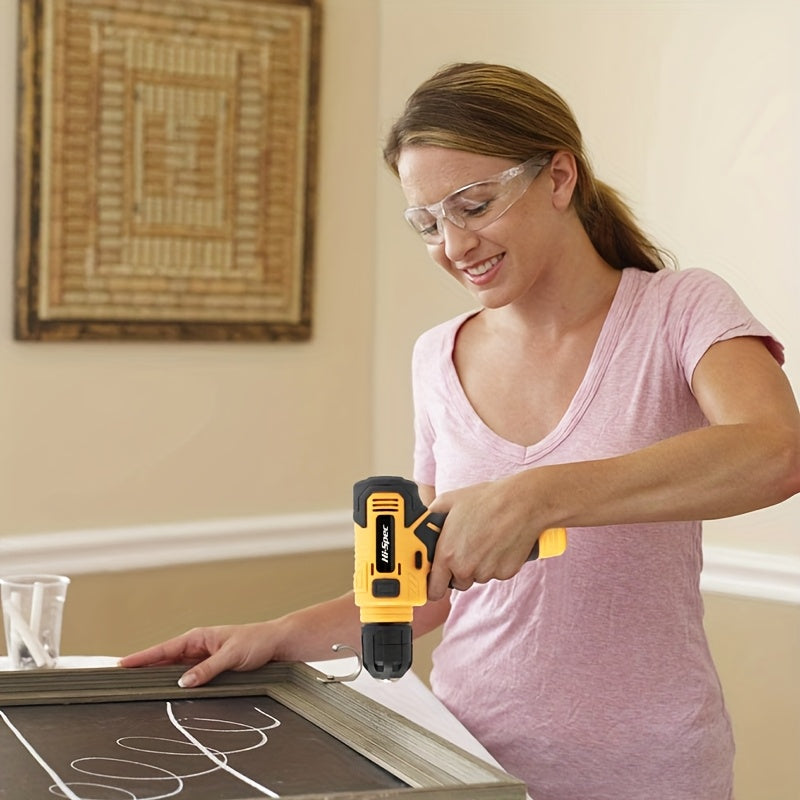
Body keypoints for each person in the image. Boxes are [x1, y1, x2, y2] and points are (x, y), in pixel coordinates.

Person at [121, 63, 800, 800]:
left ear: (559, 177)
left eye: (473, 206)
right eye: (428, 224)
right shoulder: (436, 356)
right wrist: (274, 636)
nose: (453, 244)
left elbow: (776, 450)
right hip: (459, 761)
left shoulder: (680, 310)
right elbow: (426, 588)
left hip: (648, 771)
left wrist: (536, 497)